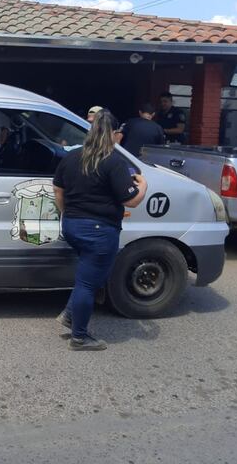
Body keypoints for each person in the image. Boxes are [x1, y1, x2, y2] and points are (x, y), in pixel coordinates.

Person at [52, 109, 148, 351]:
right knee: (88, 283)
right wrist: (144, 186)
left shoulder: (71, 157)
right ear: (114, 134)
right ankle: (79, 338)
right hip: (99, 231)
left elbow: (58, 190)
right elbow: (131, 200)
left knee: (87, 276)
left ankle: (70, 315)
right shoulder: (114, 162)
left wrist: (66, 214)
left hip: (72, 226)